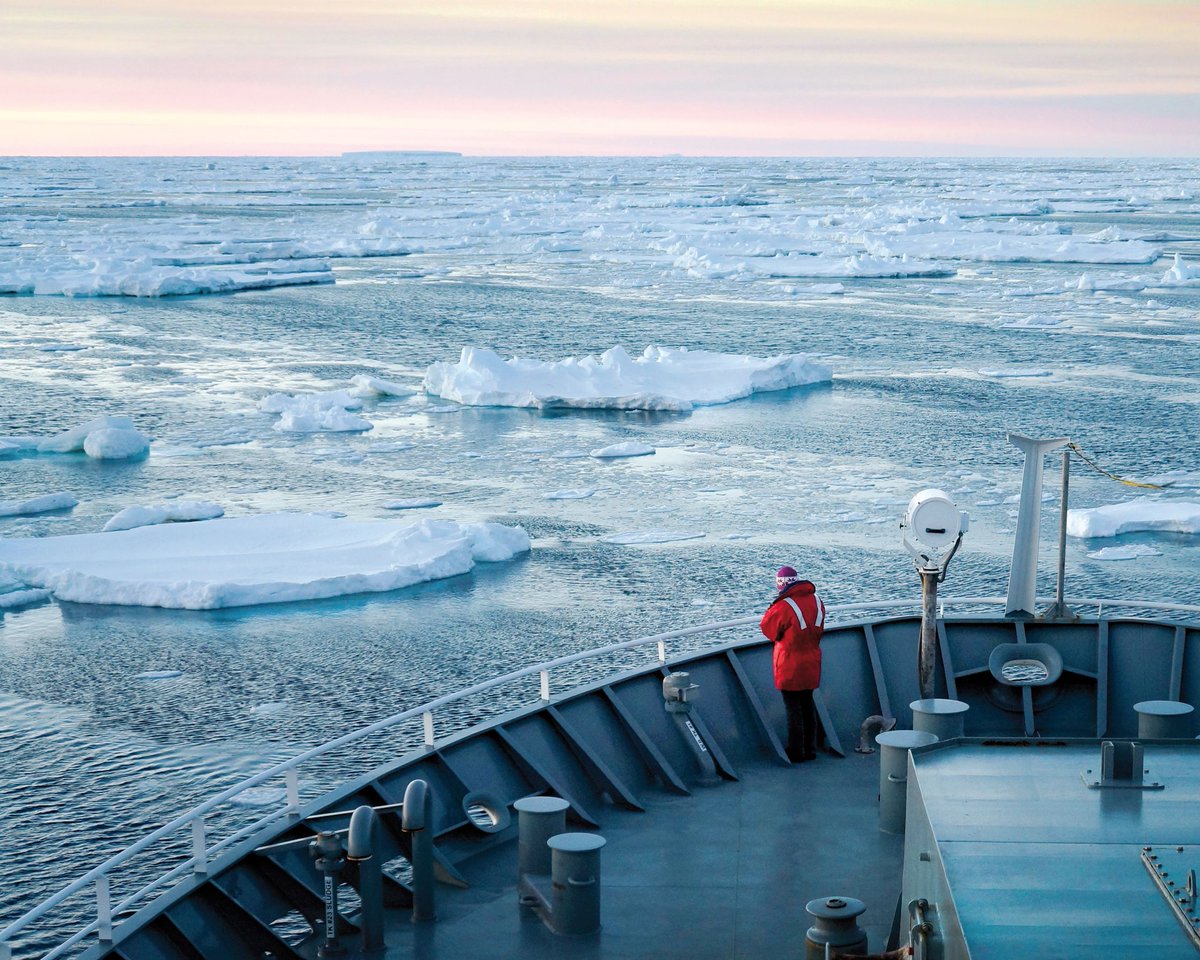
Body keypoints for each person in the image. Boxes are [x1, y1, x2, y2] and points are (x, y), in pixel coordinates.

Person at [759, 565, 825, 763]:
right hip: (812, 660)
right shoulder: (817, 600)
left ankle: (796, 751)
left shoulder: (783, 606)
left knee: (793, 707)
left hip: (790, 663)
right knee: (807, 703)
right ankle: (810, 749)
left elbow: (768, 629)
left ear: (780, 584)